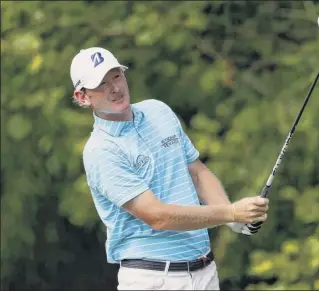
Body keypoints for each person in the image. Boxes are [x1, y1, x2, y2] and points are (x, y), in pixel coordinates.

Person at [70, 47, 269, 290]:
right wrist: (231, 213)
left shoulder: (158, 111)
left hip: (205, 272)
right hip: (153, 279)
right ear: (82, 97)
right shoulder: (101, 151)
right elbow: (158, 216)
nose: (114, 88)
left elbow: (197, 173)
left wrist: (233, 220)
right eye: (101, 84)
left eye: (116, 76)